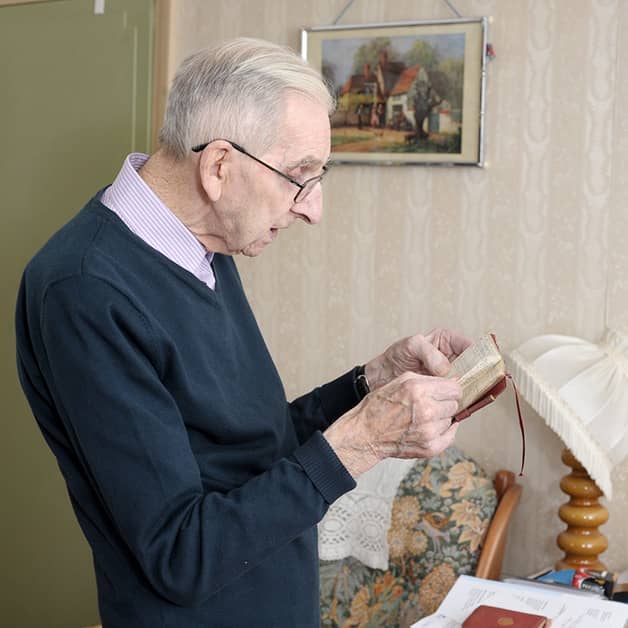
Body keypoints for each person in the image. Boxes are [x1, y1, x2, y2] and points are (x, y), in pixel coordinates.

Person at [15, 38, 469, 628]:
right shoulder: (84, 290)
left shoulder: (203, 244)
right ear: (219, 167)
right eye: (299, 177)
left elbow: (247, 449)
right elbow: (181, 554)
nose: (314, 209)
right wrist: (362, 442)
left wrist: (369, 382)